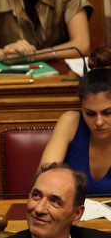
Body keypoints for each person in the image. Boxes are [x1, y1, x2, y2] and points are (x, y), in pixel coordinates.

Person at [40, 46, 111, 193]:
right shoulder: (70, 122)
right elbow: (43, 183)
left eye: (108, 112)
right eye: (90, 113)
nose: (99, 122)